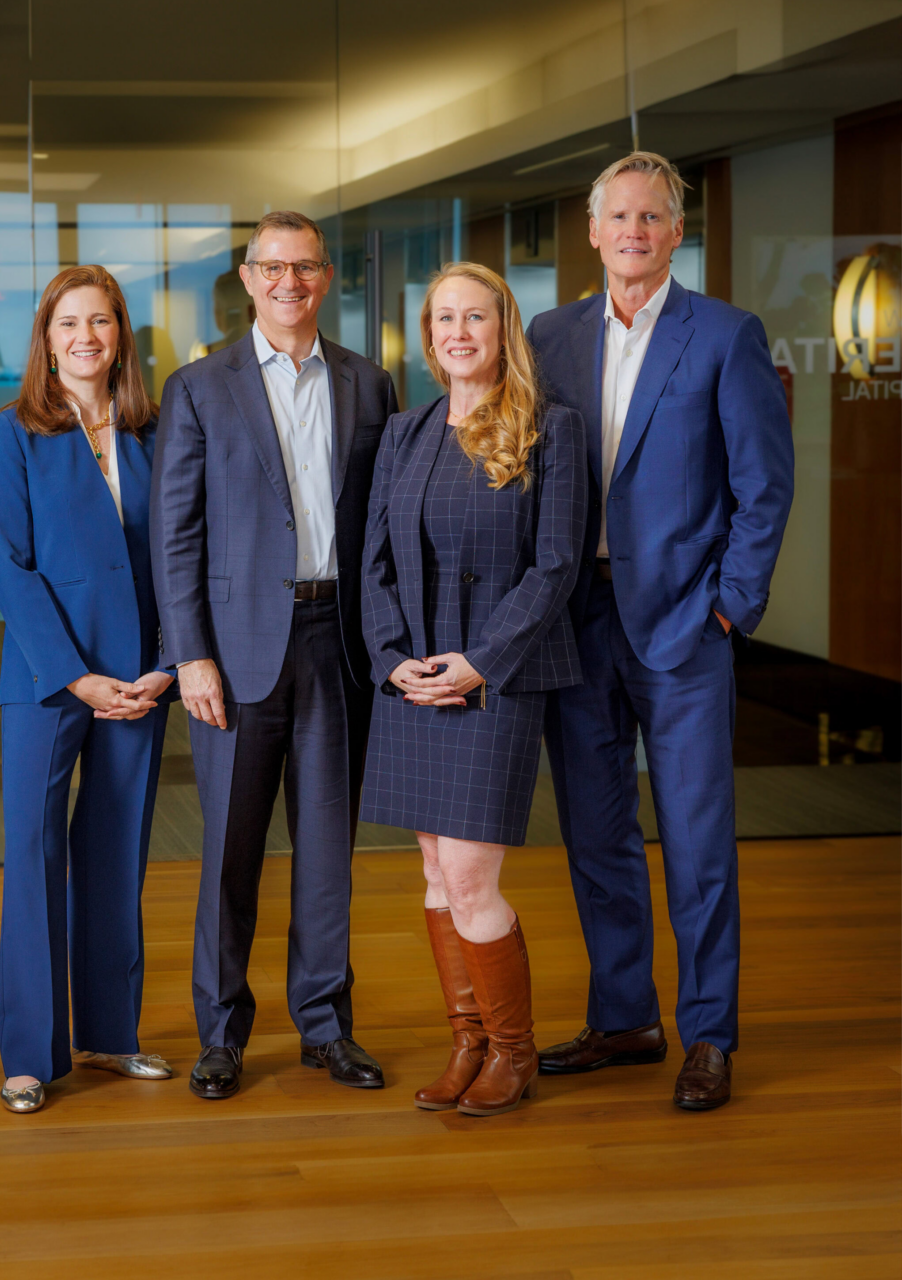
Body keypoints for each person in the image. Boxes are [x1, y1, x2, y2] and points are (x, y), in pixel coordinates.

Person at [527, 152, 795, 1111]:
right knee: (597, 835)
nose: (635, 232)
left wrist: (732, 604)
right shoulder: (548, 337)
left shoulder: (725, 336)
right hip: (575, 622)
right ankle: (625, 1017)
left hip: (686, 621)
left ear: (676, 234)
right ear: (592, 233)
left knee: (696, 841)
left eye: (653, 217)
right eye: (619, 217)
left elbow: (765, 486)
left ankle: (709, 1035)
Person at [152, 210, 398, 1099]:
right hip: (235, 650)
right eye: (272, 268)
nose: (289, 282)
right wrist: (191, 657)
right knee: (229, 853)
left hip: (338, 643)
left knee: (328, 849)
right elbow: (174, 536)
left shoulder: (370, 386)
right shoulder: (198, 388)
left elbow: (386, 527)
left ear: (325, 279)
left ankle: (326, 1026)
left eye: (305, 268)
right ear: (247, 280)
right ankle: (220, 1034)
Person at [360, 263, 586, 1116]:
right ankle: (469, 1043)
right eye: (444, 318)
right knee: (430, 868)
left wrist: (480, 661)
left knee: (466, 876)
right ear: (428, 335)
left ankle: (514, 1054)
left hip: (497, 677)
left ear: (504, 329)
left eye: (476, 318)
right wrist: (392, 658)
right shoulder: (405, 432)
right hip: (414, 678)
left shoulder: (548, 429)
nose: (459, 332)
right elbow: (373, 563)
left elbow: (557, 565)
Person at [0, 265, 175, 1115]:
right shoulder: (13, 432)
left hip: (138, 679)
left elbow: (180, 559)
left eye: (100, 322)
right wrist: (77, 676)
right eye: (68, 324)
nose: (85, 337)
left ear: (121, 336)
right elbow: (9, 571)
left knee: (117, 851)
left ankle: (108, 1033)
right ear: (46, 340)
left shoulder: (155, 432)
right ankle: (29, 1055)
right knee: (35, 856)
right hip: (51, 679)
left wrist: (165, 664)